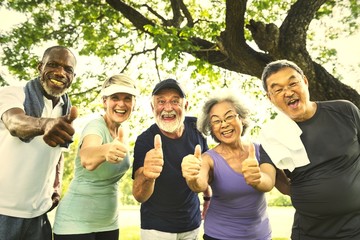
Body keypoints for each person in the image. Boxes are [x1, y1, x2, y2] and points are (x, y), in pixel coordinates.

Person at [259, 59, 360, 239]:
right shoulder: (272, 135)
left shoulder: (345, 111)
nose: (288, 92)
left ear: (305, 81)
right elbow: (270, 178)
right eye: (278, 89)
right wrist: (257, 178)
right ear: (270, 97)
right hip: (309, 232)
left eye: (292, 83)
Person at [0, 45, 78, 240]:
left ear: (72, 77)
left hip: (38, 214)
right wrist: (45, 124)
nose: (60, 72)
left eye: (67, 69)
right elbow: (14, 122)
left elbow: (58, 152)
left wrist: (57, 185)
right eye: (53, 65)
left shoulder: (65, 109)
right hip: (3, 210)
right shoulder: (13, 94)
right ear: (40, 67)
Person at [53, 74, 137, 240]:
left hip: (109, 223)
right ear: (104, 101)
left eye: (127, 98)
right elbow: (87, 157)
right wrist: (105, 150)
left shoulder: (122, 131)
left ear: (134, 104)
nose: (121, 103)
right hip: (75, 225)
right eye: (115, 98)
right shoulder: (95, 126)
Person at [181, 92, 273, 240]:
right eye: (216, 121)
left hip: (260, 235)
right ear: (211, 129)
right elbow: (199, 184)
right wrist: (191, 177)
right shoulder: (208, 159)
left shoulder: (260, 150)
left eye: (229, 116)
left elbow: (277, 183)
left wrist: (258, 178)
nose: (224, 124)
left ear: (241, 118)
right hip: (219, 235)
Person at [132, 78, 210, 240]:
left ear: (185, 106)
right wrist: (147, 175)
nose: (168, 108)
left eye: (175, 101)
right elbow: (139, 195)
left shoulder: (197, 128)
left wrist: (208, 196)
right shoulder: (145, 140)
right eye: (161, 101)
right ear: (153, 107)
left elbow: (206, 171)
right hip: (156, 228)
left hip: (191, 225)